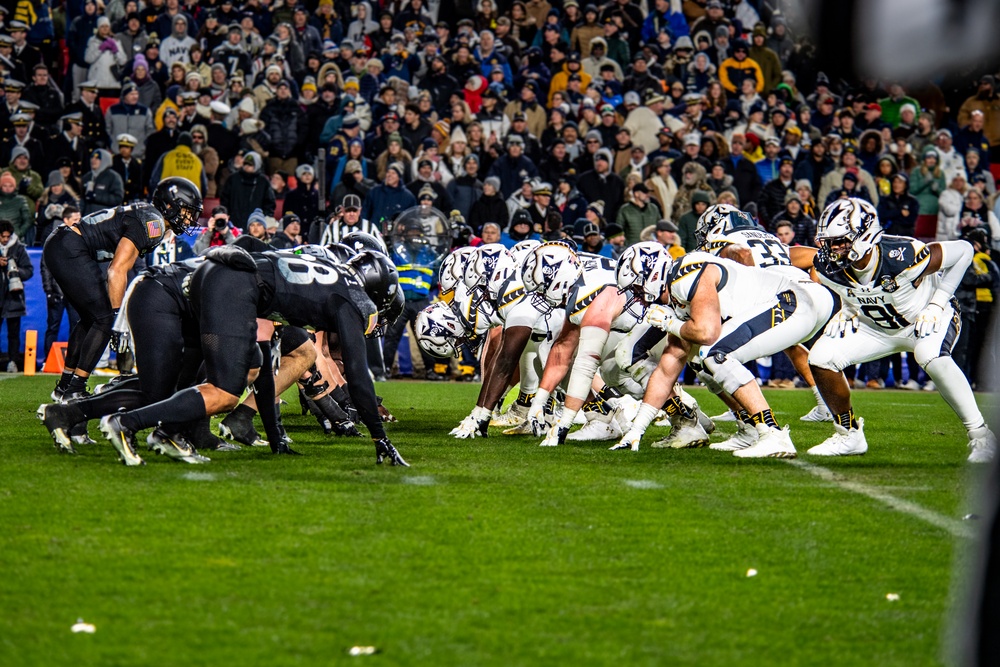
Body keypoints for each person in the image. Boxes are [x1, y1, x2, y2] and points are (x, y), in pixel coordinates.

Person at [807, 198, 997, 462]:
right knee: (820, 358)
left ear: (865, 236)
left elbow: (964, 250)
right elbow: (849, 290)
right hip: (877, 327)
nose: (833, 249)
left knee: (931, 356)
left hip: (926, 319)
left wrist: (937, 302)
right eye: (829, 242)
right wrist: (847, 309)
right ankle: (848, 434)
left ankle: (981, 435)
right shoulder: (827, 267)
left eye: (841, 241)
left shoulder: (903, 254)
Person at [42, 177, 202, 403]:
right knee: (105, 320)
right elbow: (116, 270)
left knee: (92, 319)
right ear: (169, 205)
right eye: (186, 210)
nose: (189, 218)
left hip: (64, 244)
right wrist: (118, 317)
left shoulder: (149, 216)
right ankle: (74, 389)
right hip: (69, 247)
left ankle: (67, 386)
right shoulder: (153, 223)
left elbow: (115, 267)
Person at [0, 219, 33, 371]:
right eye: (2, 237)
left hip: (14, 296)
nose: (5, 239)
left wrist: (17, 271)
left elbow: (29, 270)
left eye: (8, 236)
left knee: (14, 333)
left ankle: (13, 361)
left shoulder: (19, 248)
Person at [219, 151, 275, 230]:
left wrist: (262, 219)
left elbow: (269, 204)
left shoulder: (263, 182)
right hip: (233, 223)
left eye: (250, 164)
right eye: (245, 163)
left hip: (256, 226)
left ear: (257, 165)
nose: (247, 166)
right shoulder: (233, 179)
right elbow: (224, 200)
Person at [80, 149, 125, 216]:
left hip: (106, 219)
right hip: (87, 218)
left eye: (97, 158)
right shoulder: (87, 177)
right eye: (92, 157)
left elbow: (118, 198)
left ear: (105, 160)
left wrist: (96, 196)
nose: (93, 160)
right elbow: (81, 199)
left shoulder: (113, 177)